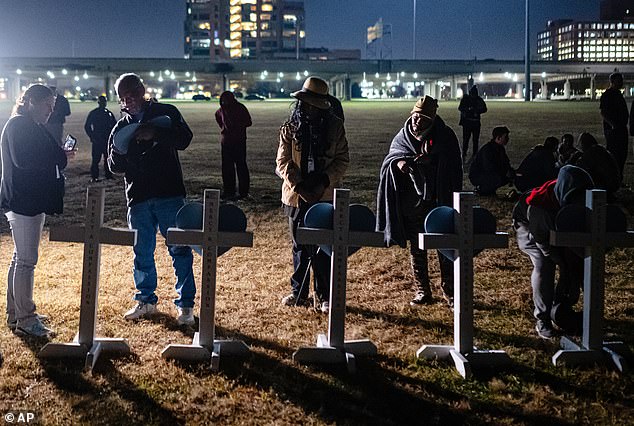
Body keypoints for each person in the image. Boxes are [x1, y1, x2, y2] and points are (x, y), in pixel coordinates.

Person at [107, 73, 196, 325]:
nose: (130, 100)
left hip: (169, 193)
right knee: (142, 251)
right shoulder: (120, 126)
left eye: (133, 93)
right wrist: (121, 148)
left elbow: (184, 139)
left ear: (142, 89)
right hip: (138, 197)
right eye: (123, 97)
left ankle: (185, 305)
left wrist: (155, 132)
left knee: (180, 248)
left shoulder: (166, 111)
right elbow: (114, 166)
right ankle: (145, 300)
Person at [376, 96, 463, 306]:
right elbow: (392, 157)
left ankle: (450, 291)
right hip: (412, 203)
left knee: (444, 245)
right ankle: (423, 290)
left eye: (423, 118)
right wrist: (399, 164)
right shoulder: (403, 134)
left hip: (437, 201)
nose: (417, 122)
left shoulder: (445, 136)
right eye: (415, 116)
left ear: (431, 120)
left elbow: (453, 166)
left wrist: (432, 161)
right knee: (417, 248)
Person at [1, 84, 72, 337]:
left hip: (26, 200)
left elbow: (45, 154)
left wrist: (59, 156)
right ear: (30, 101)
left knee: (20, 259)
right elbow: (25, 160)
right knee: (26, 261)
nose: (50, 112)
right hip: (23, 201)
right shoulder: (20, 125)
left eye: (53, 107)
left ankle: (16, 313)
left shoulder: (27, 124)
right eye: (47, 106)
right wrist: (57, 158)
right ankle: (26, 319)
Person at [276, 76, 349, 313]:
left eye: (313, 104)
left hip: (324, 196)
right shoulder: (290, 127)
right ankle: (299, 293)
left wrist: (322, 184)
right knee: (299, 246)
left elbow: (341, 161)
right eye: (305, 103)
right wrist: (299, 187)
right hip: (296, 197)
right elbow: (282, 162)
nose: (308, 108)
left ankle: (324, 295)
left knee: (323, 247)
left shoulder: (335, 128)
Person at [512, 165, 593, 339]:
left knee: (577, 261)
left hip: (557, 226)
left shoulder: (577, 199)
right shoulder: (540, 207)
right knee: (545, 265)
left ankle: (565, 307)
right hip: (529, 226)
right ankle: (542, 320)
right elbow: (542, 242)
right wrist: (562, 264)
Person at [215, 91, 252, 200]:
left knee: (237, 167)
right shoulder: (237, 108)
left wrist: (230, 128)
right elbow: (248, 122)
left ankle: (238, 191)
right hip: (232, 141)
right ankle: (233, 191)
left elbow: (248, 122)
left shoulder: (225, 110)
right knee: (231, 168)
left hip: (234, 141)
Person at [469, 126, 515, 196]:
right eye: (505, 137)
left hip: (488, 174)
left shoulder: (500, 149)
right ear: (498, 138)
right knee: (498, 178)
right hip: (479, 175)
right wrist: (504, 173)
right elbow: (488, 168)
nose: (507, 139)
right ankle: (483, 189)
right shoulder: (488, 150)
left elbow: (505, 163)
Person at [574, 132, 622, 198]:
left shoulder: (592, 152)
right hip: (614, 183)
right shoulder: (601, 150)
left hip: (606, 186)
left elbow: (579, 167)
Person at [600, 72, 629, 176]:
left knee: (622, 154)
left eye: (621, 80)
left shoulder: (618, 94)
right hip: (613, 130)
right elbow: (603, 112)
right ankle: (612, 177)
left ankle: (618, 176)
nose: (621, 82)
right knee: (614, 154)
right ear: (612, 82)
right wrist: (613, 125)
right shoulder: (608, 95)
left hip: (621, 128)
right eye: (619, 80)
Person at [84, 95, 117, 182]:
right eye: (102, 102)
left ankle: (108, 175)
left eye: (105, 102)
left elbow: (114, 125)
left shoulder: (109, 113)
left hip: (106, 140)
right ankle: (94, 176)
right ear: (99, 103)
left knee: (107, 158)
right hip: (97, 140)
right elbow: (87, 126)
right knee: (96, 160)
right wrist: (92, 136)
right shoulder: (94, 113)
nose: (104, 104)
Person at [458, 85, 487, 162]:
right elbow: (460, 108)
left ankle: (473, 155)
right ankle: (465, 154)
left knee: (473, 140)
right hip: (469, 122)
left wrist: (476, 110)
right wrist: (469, 110)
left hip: (473, 122)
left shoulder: (477, 100)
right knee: (467, 140)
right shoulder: (467, 99)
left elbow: (484, 109)